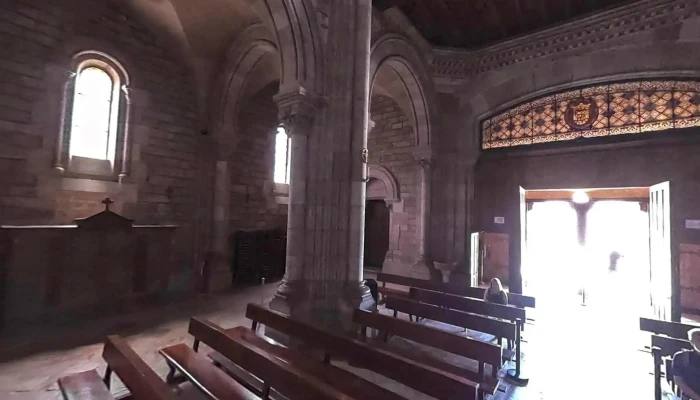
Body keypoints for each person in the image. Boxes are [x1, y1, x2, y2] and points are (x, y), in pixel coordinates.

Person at [673, 328, 700, 400]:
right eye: (699, 340)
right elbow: (679, 381)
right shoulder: (681, 357)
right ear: (691, 342)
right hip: (690, 397)